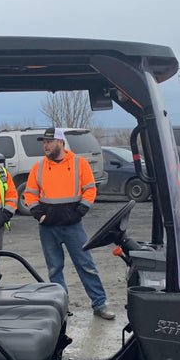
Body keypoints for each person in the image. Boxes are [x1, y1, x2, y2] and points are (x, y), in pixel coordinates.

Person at [24, 127, 115, 320]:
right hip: (48, 228)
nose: (45, 146)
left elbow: (90, 190)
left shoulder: (79, 163)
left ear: (61, 143)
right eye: (44, 143)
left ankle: (100, 304)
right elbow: (30, 193)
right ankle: (62, 307)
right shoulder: (38, 167)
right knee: (54, 269)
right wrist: (38, 214)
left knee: (86, 265)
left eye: (49, 142)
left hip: (73, 227)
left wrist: (80, 211)